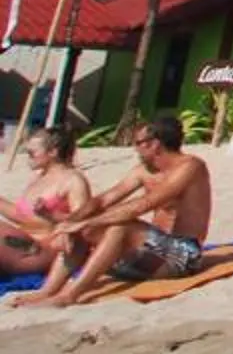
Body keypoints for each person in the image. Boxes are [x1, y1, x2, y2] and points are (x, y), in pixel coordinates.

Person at [9, 114, 212, 308]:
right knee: (83, 229)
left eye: (138, 143)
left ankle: (69, 296)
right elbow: (103, 200)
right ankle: (47, 291)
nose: (135, 149)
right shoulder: (144, 171)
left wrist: (89, 222)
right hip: (149, 254)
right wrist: (69, 224)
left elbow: (142, 205)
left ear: (154, 144)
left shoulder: (190, 167)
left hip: (184, 256)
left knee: (118, 227)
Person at [0, 126, 97, 278]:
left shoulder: (72, 180)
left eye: (32, 153)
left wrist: (52, 217)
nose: (28, 158)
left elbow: (82, 221)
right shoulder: (39, 178)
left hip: (45, 248)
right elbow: (21, 216)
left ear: (53, 152)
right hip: (23, 240)